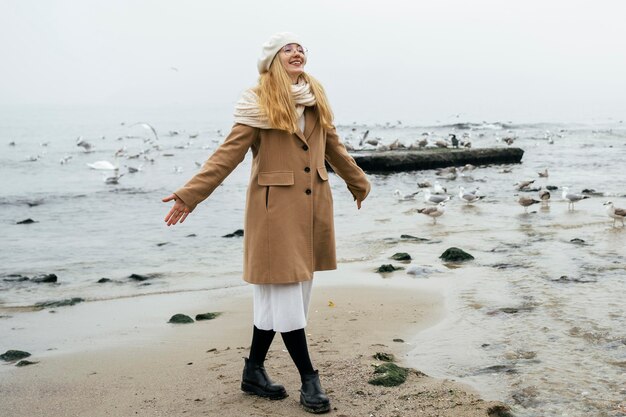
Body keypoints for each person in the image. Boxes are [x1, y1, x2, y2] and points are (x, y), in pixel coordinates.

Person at [162, 32, 371, 414]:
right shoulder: (257, 102)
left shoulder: (315, 97)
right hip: (275, 214)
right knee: (288, 300)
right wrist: (189, 194)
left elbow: (334, 148)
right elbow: (227, 154)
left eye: (301, 48)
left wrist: (358, 182)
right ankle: (310, 381)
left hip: (312, 212)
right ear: (272, 60)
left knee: (285, 300)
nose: (297, 52)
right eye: (288, 49)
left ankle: (253, 372)